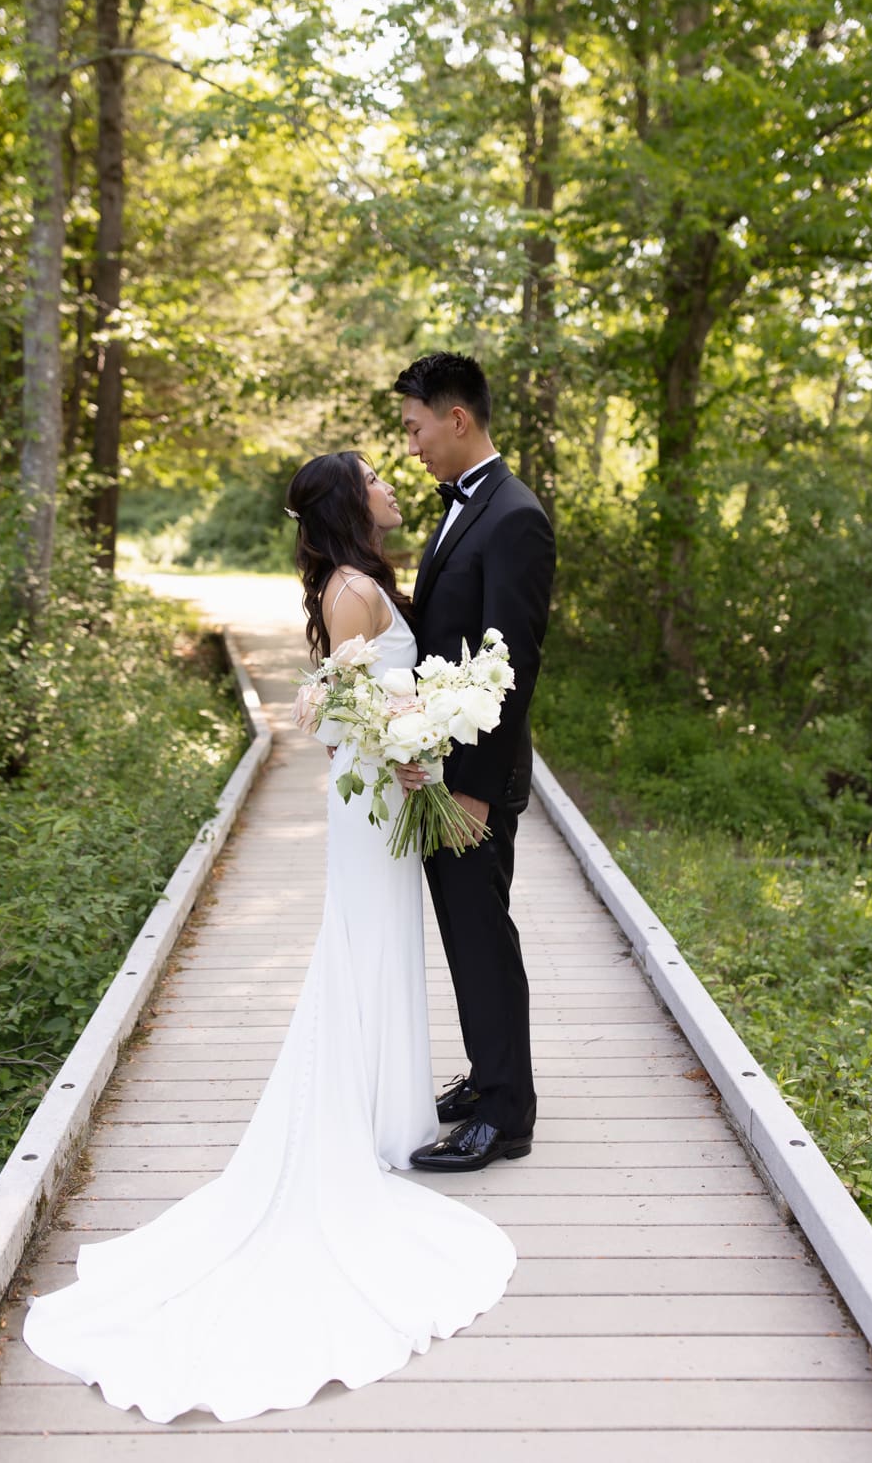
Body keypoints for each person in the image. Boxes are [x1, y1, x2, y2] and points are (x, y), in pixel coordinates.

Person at [21, 449, 515, 1425]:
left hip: (383, 793)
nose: (387, 484)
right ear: (348, 502)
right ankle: (363, 1129)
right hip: (374, 800)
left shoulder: (363, 581)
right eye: (374, 477)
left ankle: (387, 1119)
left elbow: (356, 699)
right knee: (363, 950)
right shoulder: (346, 588)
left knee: (382, 953)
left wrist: (413, 729)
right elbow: (337, 712)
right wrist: (409, 752)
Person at [393, 353, 555, 1173]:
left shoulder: (515, 516)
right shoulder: (467, 508)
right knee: (464, 932)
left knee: (483, 935)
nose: (411, 446)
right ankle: (490, 1076)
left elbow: (511, 666)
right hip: (442, 770)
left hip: (475, 783)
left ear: (458, 419)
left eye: (416, 428)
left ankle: (508, 1113)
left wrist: (478, 793)